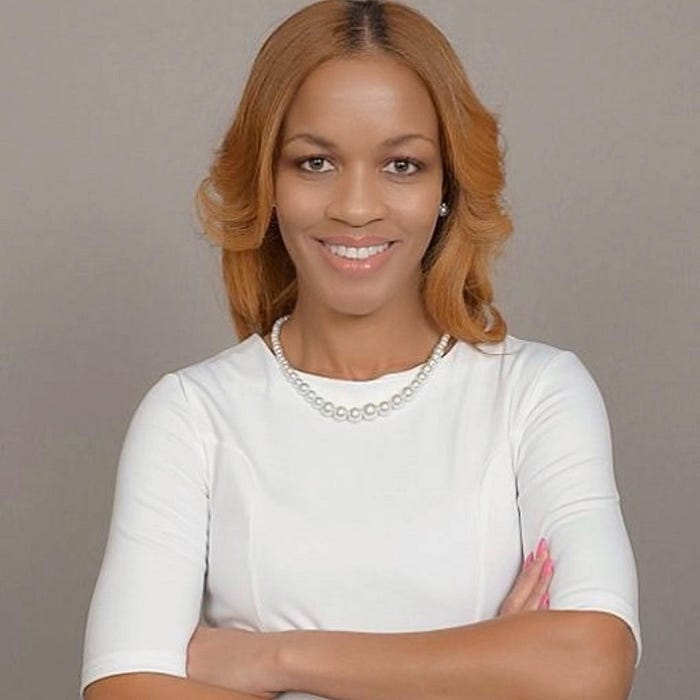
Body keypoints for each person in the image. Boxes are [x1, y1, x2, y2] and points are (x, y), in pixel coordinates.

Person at [80, 1, 641, 699]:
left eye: (402, 164)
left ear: (446, 186)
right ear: (268, 183)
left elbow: (591, 666)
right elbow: (125, 689)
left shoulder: (538, 393)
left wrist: (276, 660)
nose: (355, 206)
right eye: (314, 162)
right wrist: (484, 670)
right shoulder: (192, 415)